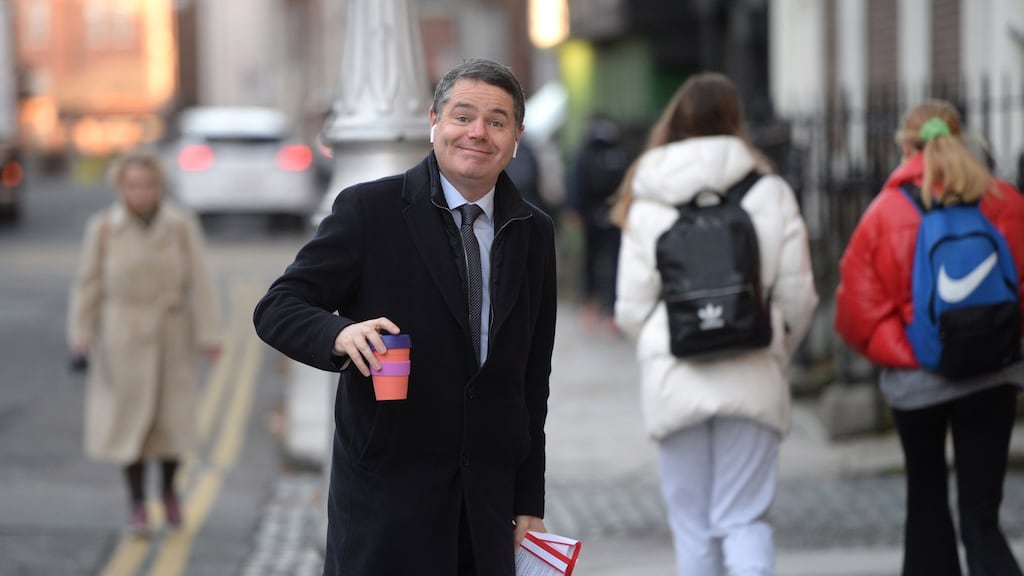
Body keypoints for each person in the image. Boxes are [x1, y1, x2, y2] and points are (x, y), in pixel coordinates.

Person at [253, 58, 557, 575]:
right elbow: (277, 307)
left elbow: (532, 382)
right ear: (434, 121)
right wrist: (340, 333)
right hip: (388, 500)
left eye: (496, 121)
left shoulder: (534, 231)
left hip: (485, 507)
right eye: (463, 116)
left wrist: (529, 503)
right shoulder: (370, 210)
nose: (478, 132)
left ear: (516, 138)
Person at [611, 72, 818, 575]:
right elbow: (798, 296)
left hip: (675, 375)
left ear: (675, 121)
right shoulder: (770, 190)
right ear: (736, 121)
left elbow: (631, 308)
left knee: (692, 528)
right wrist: (774, 342)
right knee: (744, 519)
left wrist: (668, 338)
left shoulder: (649, 197)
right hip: (752, 368)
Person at [835, 99, 1024, 576]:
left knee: (926, 505)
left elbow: (858, 309)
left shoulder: (881, 213)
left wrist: (916, 353)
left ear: (905, 146)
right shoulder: (1006, 202)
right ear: (961, 138)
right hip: (993, 373)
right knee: (982, 515)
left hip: (917, 384)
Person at [67, 149, 222, 534]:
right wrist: (81, 336)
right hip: (121, 336)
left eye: (148, 184)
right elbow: (87, 285)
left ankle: (168, 491)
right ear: (120, 187)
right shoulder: (102, 227)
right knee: (128, 423)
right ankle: (137, 503)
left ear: (160, 186)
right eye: (132, 185)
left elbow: (201, 282)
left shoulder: (182, 225)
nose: (141, 192)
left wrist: (210, 334)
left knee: (173, 422)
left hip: (172, 333)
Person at [568, 115, 629, 335]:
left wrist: (574, 209)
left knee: (590, 263)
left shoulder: (586, 152)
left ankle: (590, 308)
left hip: (590, 213)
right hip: (614, 213)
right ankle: (611, 313)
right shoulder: (619, 151)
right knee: (616, 264)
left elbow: (576, 179)